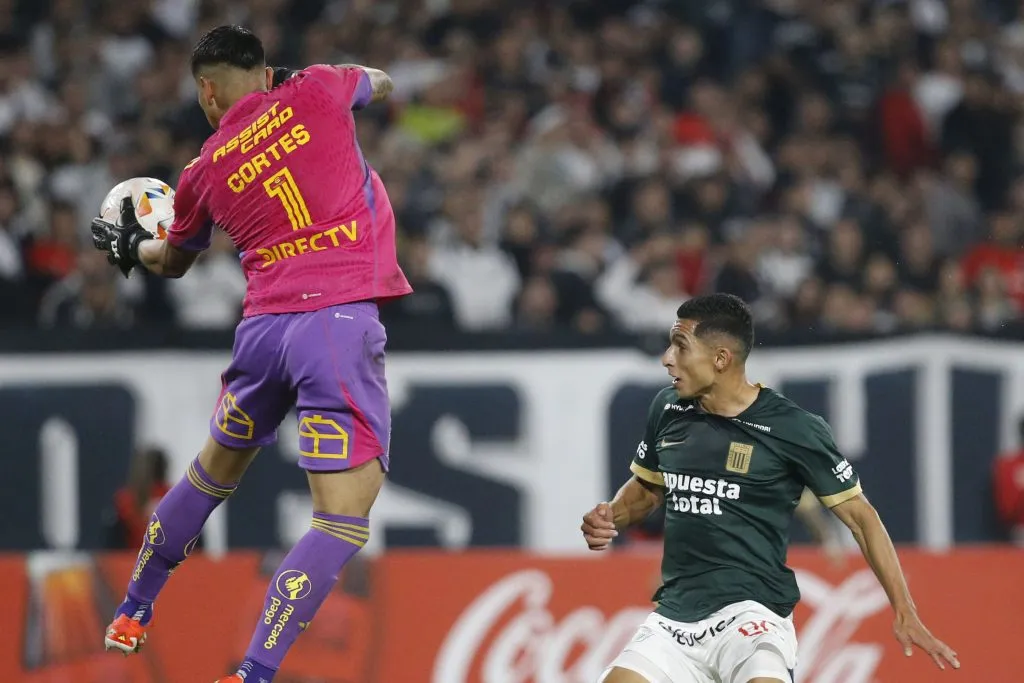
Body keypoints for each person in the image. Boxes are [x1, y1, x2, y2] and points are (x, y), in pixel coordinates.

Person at [89, 25, 411, 683]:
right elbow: (382, 81)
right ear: (264, 73)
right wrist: (295, 77)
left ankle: (131, 608)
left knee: (209, 475)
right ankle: (254, 671)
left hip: (264, 333)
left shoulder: (202, 170)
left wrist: (131, 247)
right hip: (337, 323)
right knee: (342, 519)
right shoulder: (321, 87)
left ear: (207, 91)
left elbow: (172, 260)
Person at [580, 294, 959, 683]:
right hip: (675, 616)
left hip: (753, 615)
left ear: (721, 359)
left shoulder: (793, 427)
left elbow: (862, 518)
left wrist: (903, 608)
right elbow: (647, 489)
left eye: (679, 346)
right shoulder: (668, 409)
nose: (666, 358)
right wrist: (612, 514)